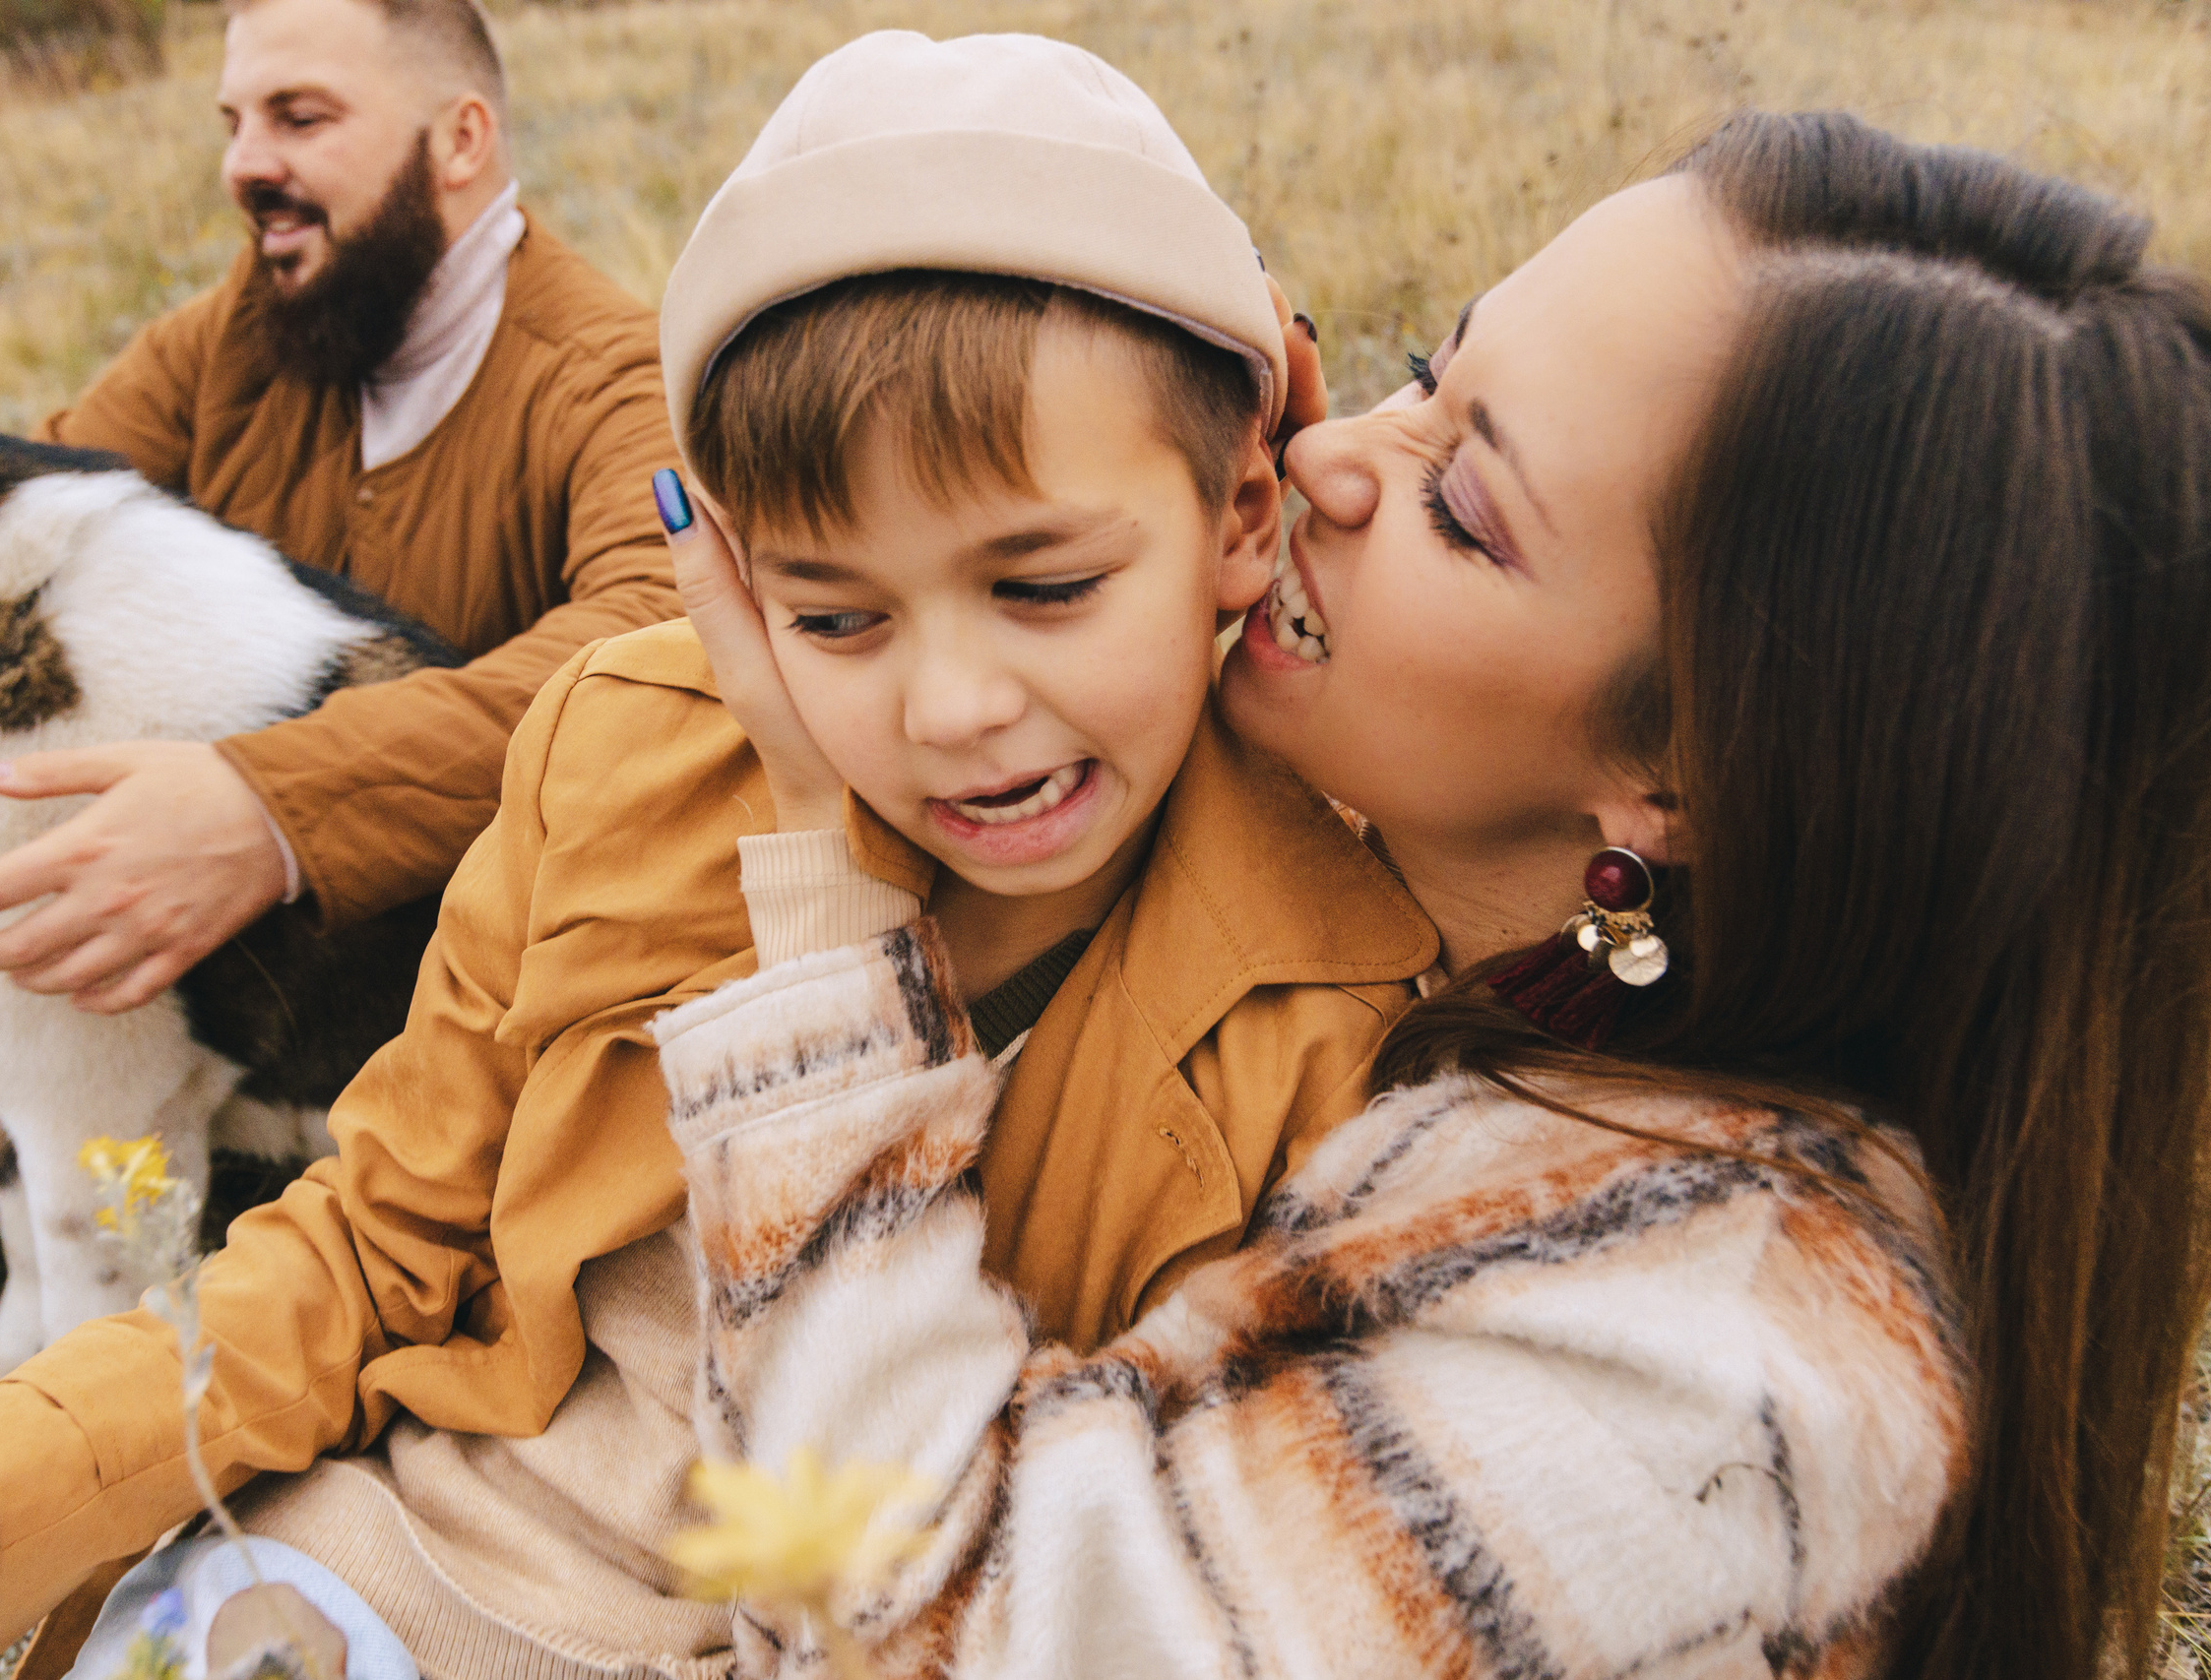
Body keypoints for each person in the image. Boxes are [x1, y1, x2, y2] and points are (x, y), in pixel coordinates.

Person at [0, 32, 1418, 1680]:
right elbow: (380, 1237)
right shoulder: (273, 380)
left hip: (758, 1557)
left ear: (1242, 518)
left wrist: (277, 801)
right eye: (833, 611)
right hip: (370, 1489)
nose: (957, 706)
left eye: (1046, 585)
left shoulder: (1348, 981)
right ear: (749, 581)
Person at [651, 112, 2211, 1678]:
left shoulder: (1719, 1368)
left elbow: (919, 1631)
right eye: (1425, 372)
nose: (1325, 462)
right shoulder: (1538, 983)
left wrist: (828, 887)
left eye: (1462, 507)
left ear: (1686, 778)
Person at [0, 0, 678, 1281]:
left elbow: (651, 644)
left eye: (301, 118)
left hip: (265, 991)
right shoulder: (235, 339)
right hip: (64, 853)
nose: (247, 163)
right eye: (234, 123)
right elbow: (2, 536)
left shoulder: (614, 381)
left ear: (462, 138)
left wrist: (270, 804)